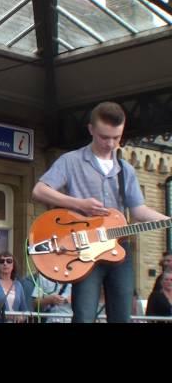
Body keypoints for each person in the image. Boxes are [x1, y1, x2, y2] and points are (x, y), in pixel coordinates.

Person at [32, 101, 168, 323]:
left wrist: (168, 220)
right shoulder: (71, 161)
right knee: (84, 316)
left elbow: (139, 211)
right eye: (105, 137)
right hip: (84, 248)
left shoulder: (126, 170)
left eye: (117, 137)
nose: (111, 143)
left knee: (122, 317)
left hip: (118, 248)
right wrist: (79, 204)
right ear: (91, 130)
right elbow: (39, 190)